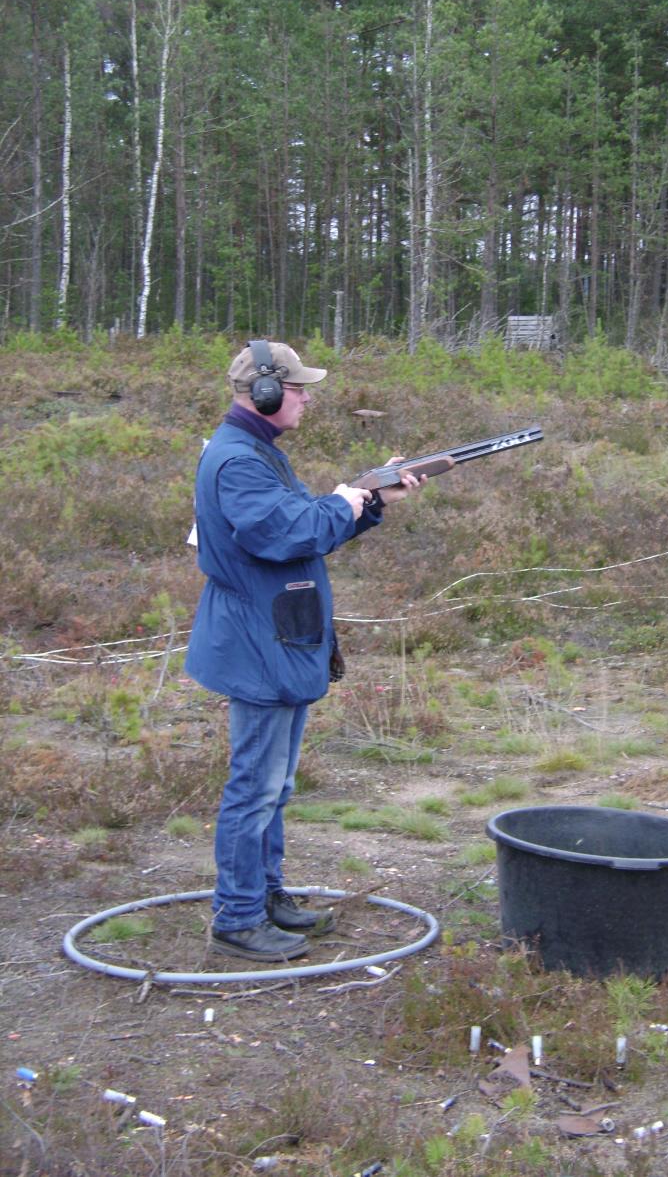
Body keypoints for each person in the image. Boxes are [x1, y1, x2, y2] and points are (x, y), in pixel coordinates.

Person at [185, 340, 423, 961]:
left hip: (277, 637)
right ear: (264, 393)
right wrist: (347, 499)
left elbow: (303, 529)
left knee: (275, 785)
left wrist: (370, 502)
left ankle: (265, 896)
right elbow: (289, 533)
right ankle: (238, 918)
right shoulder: (239, 462)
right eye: (297, 389)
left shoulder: (256, 452)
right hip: (260, 642)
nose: (306, 399)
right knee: (255, 788)